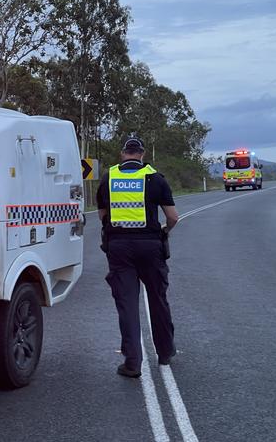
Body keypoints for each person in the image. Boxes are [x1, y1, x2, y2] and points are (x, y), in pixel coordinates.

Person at [97, 137, 179, 378]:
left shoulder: (109, 177)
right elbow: (173, 217)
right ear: (141, 154)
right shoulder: (155, 178)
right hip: (151, 247)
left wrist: (116, 228)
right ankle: (165, 352)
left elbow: (102, 213)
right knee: (158, 299)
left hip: (119, 247)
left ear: (123, 154)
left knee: (127, 304)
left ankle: (133, 363)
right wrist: (163, 231)